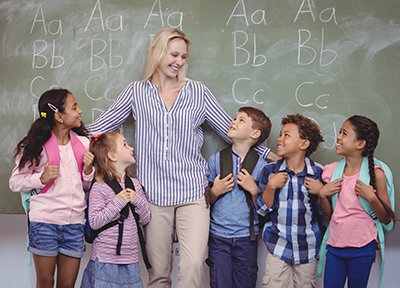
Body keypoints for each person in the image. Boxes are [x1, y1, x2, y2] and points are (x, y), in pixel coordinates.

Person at [87, 27, 279, 288]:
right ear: (156, 51)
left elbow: (230, 130)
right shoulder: (136, 92)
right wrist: (60, 133)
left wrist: (268, 154)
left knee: (192, 266)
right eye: (173, 54)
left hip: (192, 194)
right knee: (158, 273)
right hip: (153, 195)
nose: (178, 62)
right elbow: (102, 125)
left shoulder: (198, 92)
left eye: (183, 57)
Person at [9, 89, 94, 288]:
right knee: (46, 282)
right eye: (74, 107)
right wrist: (41, 178)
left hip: (75, 225)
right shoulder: (36, 145)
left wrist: (89, 170)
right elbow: (15, 182)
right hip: (44, 223)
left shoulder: (83, 144)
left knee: (67, 284)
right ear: (59, 116)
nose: (80, 111)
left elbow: (85, 186)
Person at [316, 115, 396, 288]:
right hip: (334, 246)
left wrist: (371, 197)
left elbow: (387, 218)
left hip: (362, 249)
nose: (338, 137)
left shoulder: (377, 175)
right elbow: (332, 213)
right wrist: (322, 195)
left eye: (344, 133)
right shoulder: (331, 171)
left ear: (360, 144)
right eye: (340, 132)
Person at [256, 113, 325, 288]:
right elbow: (262, 210)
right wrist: (271, 187)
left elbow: (323, 212)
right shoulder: (270, 171)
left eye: (286, 135)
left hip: (308, 249)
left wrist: (321, 191)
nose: (279, 139)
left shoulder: (318, 173)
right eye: (280, 134)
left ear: (304, 143)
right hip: (278, 246)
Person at [207, 107, 271, 288]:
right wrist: (214, 192)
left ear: (255, 133)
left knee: (245, 283)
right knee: (220, 283)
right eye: (235, 118)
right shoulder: (216, 160)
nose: (233, 121)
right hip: (218, 236)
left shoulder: (262, 166)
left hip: (246, 237)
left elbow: (266, 206)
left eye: (241, 120)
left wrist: (254, 189)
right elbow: (207, 202)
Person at [80, 132, 151, 288]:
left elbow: (145, 218)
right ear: (111, 156)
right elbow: (94, 222)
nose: (131, 148)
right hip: (105, 260)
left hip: (131, 260)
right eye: (125, 144)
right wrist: (118, 202)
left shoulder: (135, 185)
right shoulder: (99, 186)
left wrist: (137, 199)